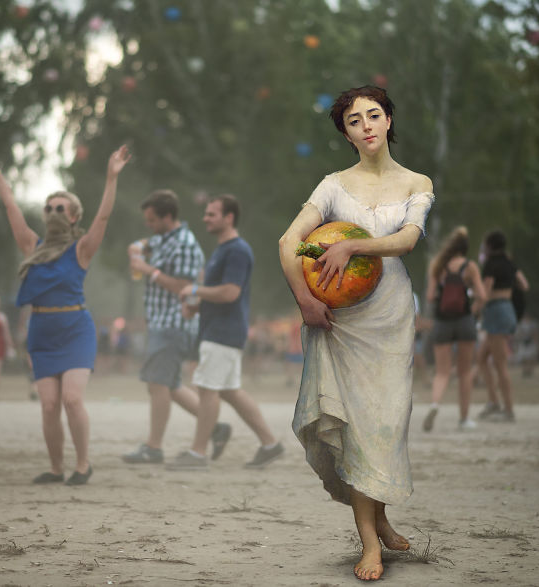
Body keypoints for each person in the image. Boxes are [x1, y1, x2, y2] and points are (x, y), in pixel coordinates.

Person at [278, 86, 434, 582]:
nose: (365, 125)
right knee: (355, 426)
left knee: (386, 423)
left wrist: (356, 247)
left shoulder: (416, 182)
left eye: (373, 115)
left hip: (390, 319)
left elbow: (408, 240)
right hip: (339, 321)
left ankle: (380, 516)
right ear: (345, 132)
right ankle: (370, 543)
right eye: (353, 121)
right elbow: (288, 242)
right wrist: (306, 302)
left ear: (389, 120)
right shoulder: (332, 186)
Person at [0, 134, 130, 485]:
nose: (54, 212)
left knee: (72, 400)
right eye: (49, 208)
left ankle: (83, 464)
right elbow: (12, 207)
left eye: (61, 208)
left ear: (74, 216)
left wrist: (111, 177)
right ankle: (57, 468)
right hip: (42, 331)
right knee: (48, 405)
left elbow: (104, 216)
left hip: (75, 328)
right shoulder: (32, 245)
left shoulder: (83, 249)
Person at [168, 195, 283, 471]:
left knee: (207, 389)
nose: (205, 218)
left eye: (211, 214)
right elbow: (220, 294)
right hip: (218, 329)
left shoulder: (237, 250)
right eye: (206, 214)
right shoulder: (222, 250)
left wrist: (194, 290)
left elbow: (231, 292)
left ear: (229, 217)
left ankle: (197, 453)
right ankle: (270, 445)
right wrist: (195, 307)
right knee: (229, 391)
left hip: (223, 332)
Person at [122, 190, 232, 464]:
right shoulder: (164, 238)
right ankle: (216, 428)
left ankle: (154, 447)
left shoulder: (183, 243)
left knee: (157, 383)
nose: (149, 225)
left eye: (152, 220)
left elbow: (185, 288)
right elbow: (146, 242)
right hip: (161, 321)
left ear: (167, 217)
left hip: (173, 322)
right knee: (168, 385)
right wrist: (136, 248)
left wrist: (150, 271)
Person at [422, 226, 486, 433]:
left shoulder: (437, 265)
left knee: (442, 372)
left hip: (442, 322)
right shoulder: (470, 267)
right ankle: (464, 419)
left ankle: (434, 404)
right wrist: (472, 308)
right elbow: (482, 296)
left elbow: (431, 297)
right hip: (465, 321)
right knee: (465, 371)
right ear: (465, 248)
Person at [475, 230, 529, 423]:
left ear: (489, 246)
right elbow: (524, 284)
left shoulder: (490, 264)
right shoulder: (509, 262)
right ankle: (493, 402)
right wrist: (508, 289)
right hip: (507, 310)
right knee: (481, 358)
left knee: (500, 364)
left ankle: (508, 410)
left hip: (496, 312)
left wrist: (476, 308)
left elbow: (486, 290)